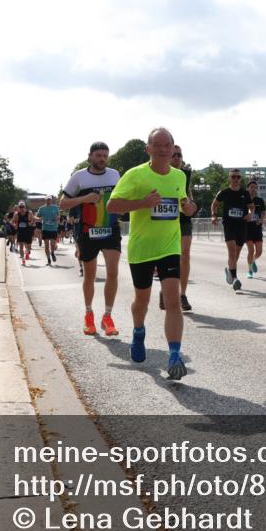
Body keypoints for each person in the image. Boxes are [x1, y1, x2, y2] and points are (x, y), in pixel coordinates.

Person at [107, 127, 197, 379]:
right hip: (142, 249)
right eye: (157, 145)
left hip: (169, 247)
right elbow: (112, 205)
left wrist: (189, 208)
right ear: (148, 149)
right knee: (142, 301)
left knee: (172, 300)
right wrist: (142, 203)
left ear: (173, 148)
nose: (162, 149)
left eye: (167, 145)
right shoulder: (135, 175)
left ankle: (175, 356)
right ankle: (138, 331)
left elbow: (184, 206)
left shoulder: (179, 176)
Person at [59, 141, 121, 336]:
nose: (102, 159)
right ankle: (88, 314)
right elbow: (63, 203)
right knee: (90, 276)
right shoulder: (79, 177)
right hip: (88, 231)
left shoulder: (114, 175)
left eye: (105, 155)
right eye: (98, 155)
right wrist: (83, 199)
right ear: (90, 156)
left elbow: (121, 197)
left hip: (110, 229)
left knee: (112, 273)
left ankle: (108, 316)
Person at [211, 169, 254, 291]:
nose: (235, 179)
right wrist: (213, 215)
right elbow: (214, 204)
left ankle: (230, 271)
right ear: (229, 178)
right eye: (233, 177)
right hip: (229, 225)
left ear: (240, 179)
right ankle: (235, 278)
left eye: (238, 177)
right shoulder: (224, 192)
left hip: (242, 225)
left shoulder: (245, 193)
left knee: (237, 253)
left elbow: (251, 207)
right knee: (231, 251)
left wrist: (250, 213)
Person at [171, 144, 195, 311]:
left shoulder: (185, 174)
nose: (178, 158)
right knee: (170, 257)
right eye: (175, 155)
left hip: (183, 218)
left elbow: (188, 192)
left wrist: (191, 204)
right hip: (166, 219)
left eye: (180, 155)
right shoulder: (158, 173)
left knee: (185, 256)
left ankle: (182, 294)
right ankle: (166, 290)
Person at [245, 180, 266, 278]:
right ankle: (249, 271)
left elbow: (263, 213)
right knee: (251, 250)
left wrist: (261, 220)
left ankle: (253, 260)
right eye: (252, 187)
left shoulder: (260, 200)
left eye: (255, 187)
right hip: (246, 229)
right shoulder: (243, 199)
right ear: (248, 188)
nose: (254, 189)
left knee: (259, 251)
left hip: (257, 228)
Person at [37, 196, 60, 266]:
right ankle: (49, 260)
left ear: (51, 200)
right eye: (47, 200)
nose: (48, 201)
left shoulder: (55, 208)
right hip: (45, 229)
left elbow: (59, 216)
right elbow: (37, 216)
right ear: (45, 200)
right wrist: (39, 218)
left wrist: (57, 218)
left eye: (49, 200)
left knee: (52, 245)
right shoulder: (41, 208)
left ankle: (52, 252)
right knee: (46, 245)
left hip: (53, 229)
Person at [10, 201, 35, 266]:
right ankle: (23, 260)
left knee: (29, 246)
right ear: (18, 207)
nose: (21, 208)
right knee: (21, 246)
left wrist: (31, 223)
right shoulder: (16, 214)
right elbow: (12, 221)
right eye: (20, 207)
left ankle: (27, 252)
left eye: (22, 207)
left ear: (25, 207)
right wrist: (14, 225)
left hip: (28, 232)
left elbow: (33, 220)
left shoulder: (29, 213)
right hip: (20, 232)